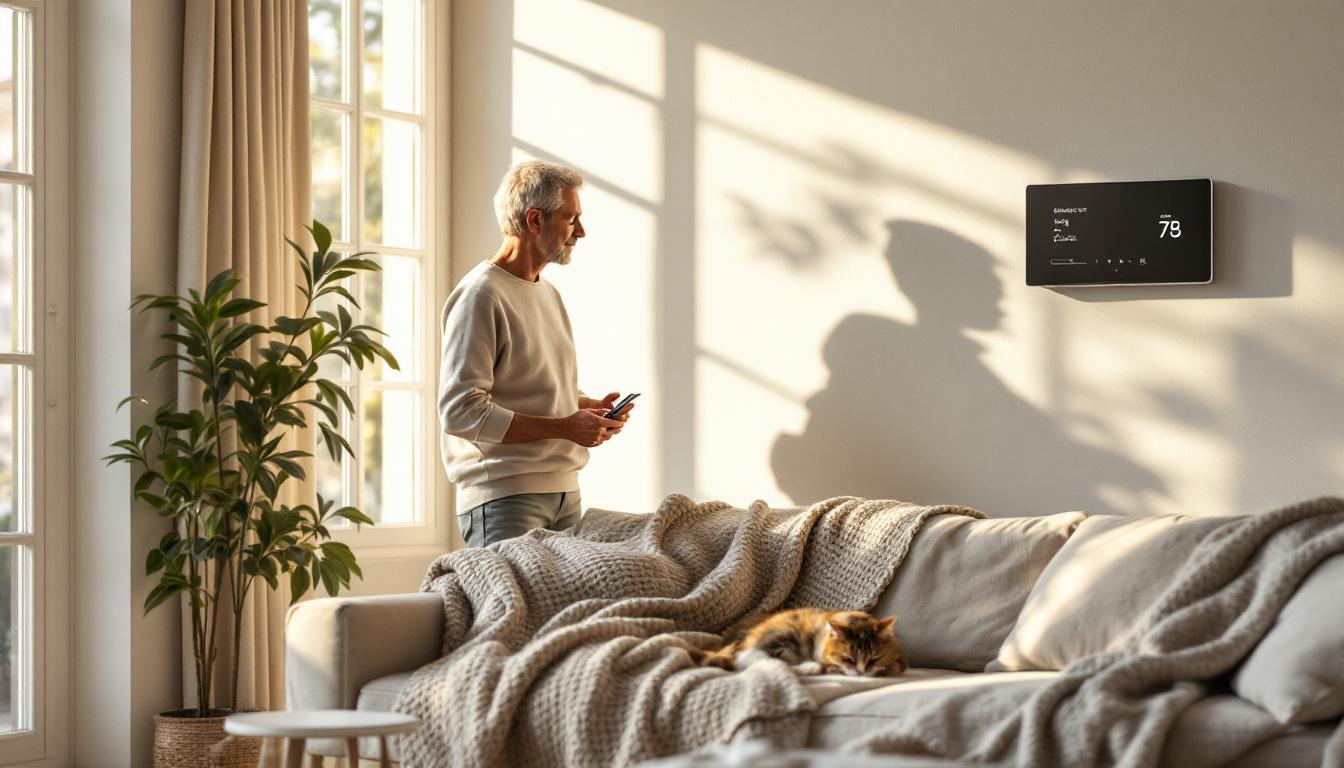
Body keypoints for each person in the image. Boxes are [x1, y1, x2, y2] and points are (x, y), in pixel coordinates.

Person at [438, 160, 632, 547]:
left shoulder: (548, 293)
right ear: (534, 220)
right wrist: (565, 427)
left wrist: (585, 408)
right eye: (571, 218)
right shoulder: (481, 295)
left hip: (565, 495)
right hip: (505, 498)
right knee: (513, 609)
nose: (581, 231)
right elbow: (460, 411)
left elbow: (531, 390)